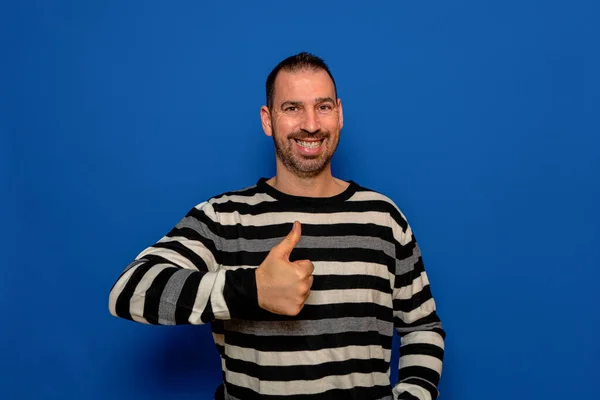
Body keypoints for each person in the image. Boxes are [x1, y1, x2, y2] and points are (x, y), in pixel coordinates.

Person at [108, 52, 446, 400]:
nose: (311, 124)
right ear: (268, 120)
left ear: (340, 114)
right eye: (292, 108)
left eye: (324, 107)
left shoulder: (383, 218)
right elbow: (128, 291)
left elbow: (423, 327)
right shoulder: (226, 218)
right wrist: (252, 289)